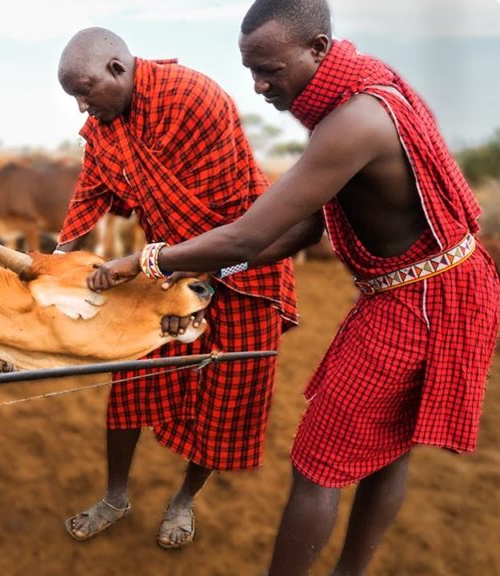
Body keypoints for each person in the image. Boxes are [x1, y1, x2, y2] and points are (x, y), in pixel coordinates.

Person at [89, 1, 500, 573]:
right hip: (438, 285)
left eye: (270, 71)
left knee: (318, 463)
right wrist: (219, 272)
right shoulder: (362, 94)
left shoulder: (353, 122)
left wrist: (149, 260)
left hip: (423, 299)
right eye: (250, 71)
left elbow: (248, 234)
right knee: (387, 452)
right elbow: (307, 223)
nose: (257, 86)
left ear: (319, 50)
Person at [55, 27, 298, 549]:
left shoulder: (192, 98)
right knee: (131, 382)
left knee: (225, 398)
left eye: (85, 91)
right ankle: (115, 496)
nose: (80, 106)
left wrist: (140, 264)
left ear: (117, 70)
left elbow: (231, 219)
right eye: (73, 96)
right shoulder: (107, 124)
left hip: (243, 269)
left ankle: (185, 498)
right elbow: (92, 188)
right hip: (160, 268)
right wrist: (57, 258)